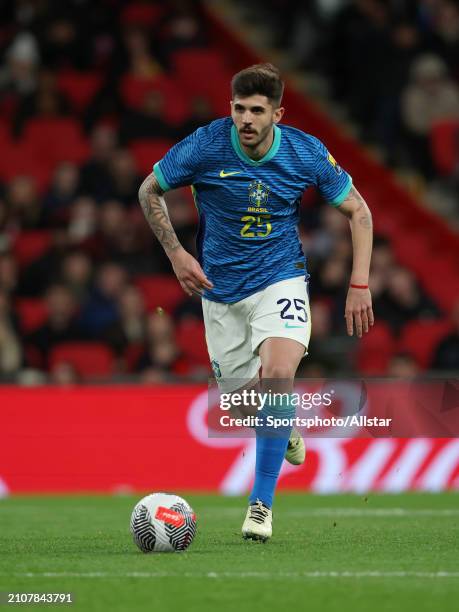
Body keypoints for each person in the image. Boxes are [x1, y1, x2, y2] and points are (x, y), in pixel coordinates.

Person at [138, 63, 374, 541]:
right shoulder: (206, 145)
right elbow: (149, 190)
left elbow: (359, 210)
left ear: (277, 114)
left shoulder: (305, 152)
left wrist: (360, 283)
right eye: (239, 109)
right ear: (231, 108)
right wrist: (178, 253)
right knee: (250, 407)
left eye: (257, 111)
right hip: (220, 293)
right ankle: (281, 426)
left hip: (280, 279)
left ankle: (261, 506)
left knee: (280, 375)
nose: (245, 119)